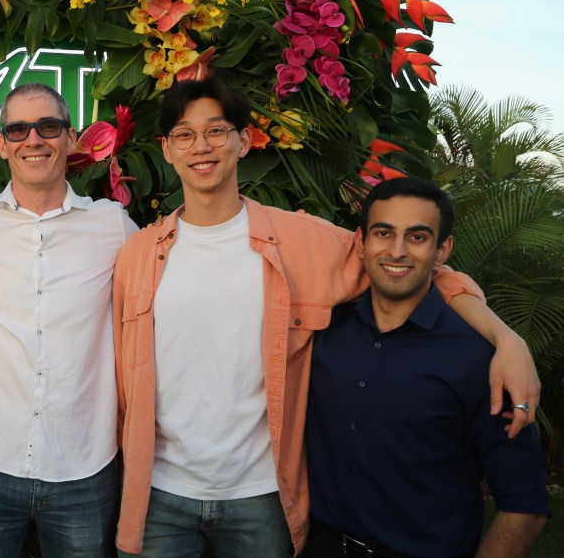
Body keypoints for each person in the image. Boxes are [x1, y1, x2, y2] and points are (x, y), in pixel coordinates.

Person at [111, 76, 541, 556]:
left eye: (216, 130)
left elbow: (410, 267)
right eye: (184, 135)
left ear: (244, 140)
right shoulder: (138, 255)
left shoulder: (303, 242)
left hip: (262, 494)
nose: (201, 147)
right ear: (167, 150)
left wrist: (506, 339)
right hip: (162, 492)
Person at [303, 177, 549, 557]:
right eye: (384, 233)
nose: (397, 251)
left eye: (417, 237)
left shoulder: (479, 358)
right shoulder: (324, 333)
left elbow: (525, 505)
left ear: (442, 250)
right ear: (361, 241)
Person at [0, 83, 139, 557]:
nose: (34, 140)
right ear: (2, 143)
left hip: (83, 462)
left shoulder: (111, 225)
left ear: (70, 138)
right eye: (18, 129)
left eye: (48, 126)